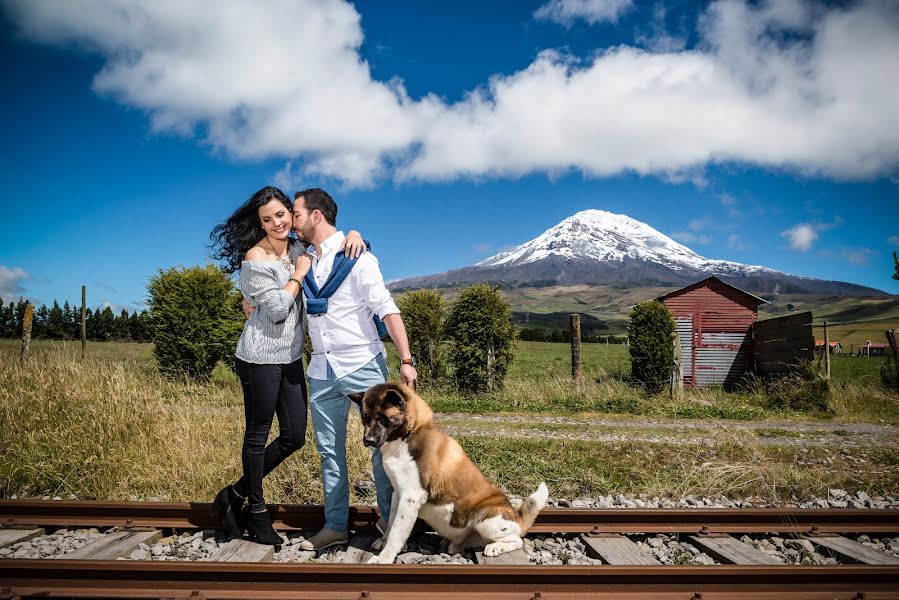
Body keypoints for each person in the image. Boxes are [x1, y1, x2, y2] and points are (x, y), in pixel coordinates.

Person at [208, 185, 367, 545]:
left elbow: (329, 244)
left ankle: (233, 494)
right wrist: (297, 275)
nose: (277, 223)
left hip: (291, 358)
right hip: (259, 359)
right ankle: (258, 512)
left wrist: (356, 235)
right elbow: (279, 310)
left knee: (294, 436)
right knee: (257, 433)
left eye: (282, 214)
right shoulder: (256, 258)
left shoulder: (298, 247)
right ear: (260, 224)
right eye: (268, 219)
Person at [289, 188, 418, 551]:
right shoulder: (303, 260)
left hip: (363, 365)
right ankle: (334, 526)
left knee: (384, 451)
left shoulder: (358, 257)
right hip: (321, 370)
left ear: (316, 216)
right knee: (329, 452)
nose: (292, 221)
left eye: (296, 214)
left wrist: (406, 361)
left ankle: (393, 527)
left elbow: (386, 308)